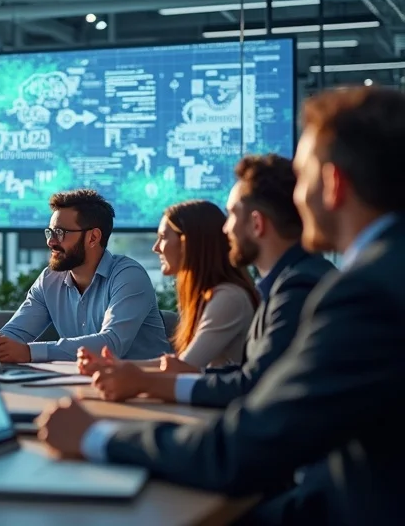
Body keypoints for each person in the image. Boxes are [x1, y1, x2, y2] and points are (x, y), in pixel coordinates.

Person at [35, 86, 405, 525]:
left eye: (303, 179)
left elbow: (249, 447)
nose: (296, 199)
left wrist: (98, 435)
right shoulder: (376, 275)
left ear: (333, 185)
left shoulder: (365, 293)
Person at [84, 155, 335, 406]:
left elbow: (254, 388)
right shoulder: (280, 286)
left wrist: (144, 381)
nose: (225, 230)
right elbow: (247, 375)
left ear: (257, 223)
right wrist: (130, 371)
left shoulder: (295, 289)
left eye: (233, 215)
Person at [77, 199, 259, 387]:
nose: (156, 247)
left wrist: (119, 370)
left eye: (163, 237)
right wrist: (113, 365)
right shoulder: (212, 296)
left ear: (187, 242)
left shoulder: (228, 299)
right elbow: (179, 363)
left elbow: (183, 367)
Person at [0, 189, 171, 362]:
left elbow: (112, 344)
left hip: (145, 390)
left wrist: (29, 352)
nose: (51, 242)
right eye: (50, 232)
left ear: (93, 238)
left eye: (60, 233)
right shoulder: (49, 280)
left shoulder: (128, 276)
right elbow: (15, 333)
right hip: (82, 384)